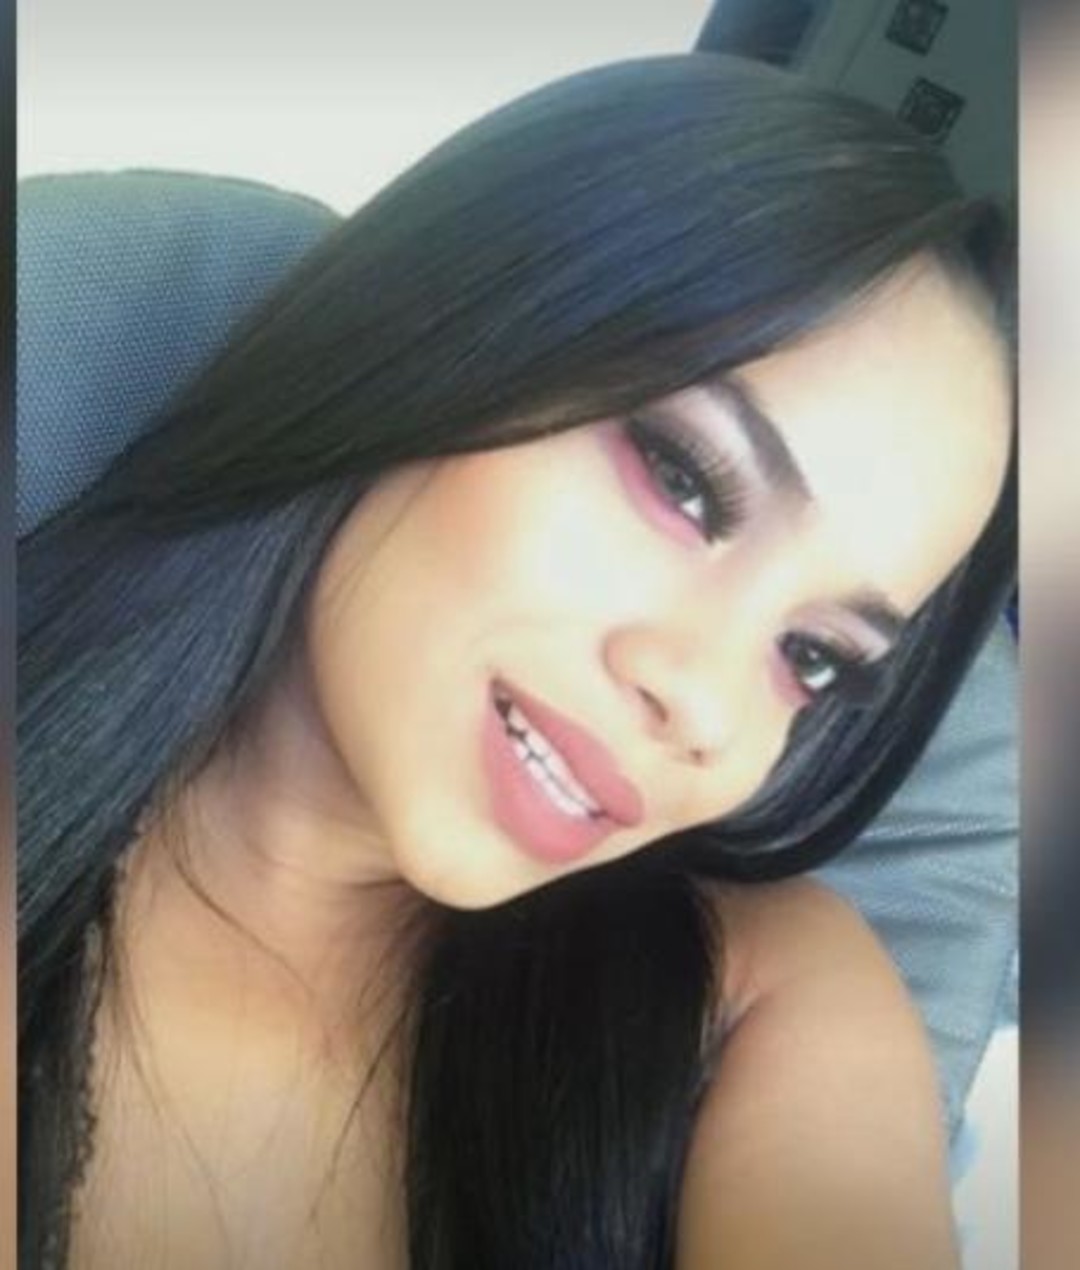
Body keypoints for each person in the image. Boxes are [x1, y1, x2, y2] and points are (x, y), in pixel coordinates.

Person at [18, 52, 1015, 1270]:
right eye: (686, 480)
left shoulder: (766, 992)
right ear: (448, 330)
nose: (706, 707)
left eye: (811, 657)